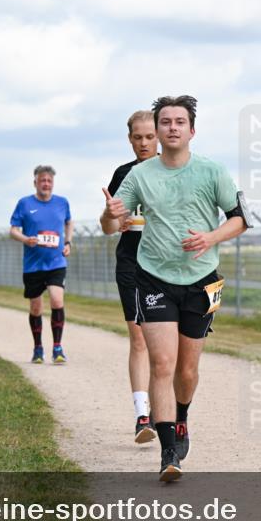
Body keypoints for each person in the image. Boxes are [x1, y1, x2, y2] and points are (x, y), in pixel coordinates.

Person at [101, 95, 250, 481]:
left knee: (187, 368)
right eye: (165, 121)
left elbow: (240, 219)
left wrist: (210, 238)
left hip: (202, 279)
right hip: (153, 276)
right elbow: (110, 225)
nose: (171, 128)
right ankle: (169, 453)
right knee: (163, 363)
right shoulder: (140, 175)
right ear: (157, 129)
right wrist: (110, 214)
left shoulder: (212, 172)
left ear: (191, 130)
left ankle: (181, 417)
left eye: (179, 122)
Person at [108, 109, 160, 444]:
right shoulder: (123, 174)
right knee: (139, 338)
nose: (143, 143)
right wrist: (118, 221)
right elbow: (111, 220)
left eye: (149, 137)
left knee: (164, 345)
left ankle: (164, 411)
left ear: (159, 137)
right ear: (129, 139)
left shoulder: (175, 171)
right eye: (137, 137)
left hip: (166, 266)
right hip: (131, 263)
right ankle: (143, 416)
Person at [9, 165, 72, 364]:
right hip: (33, 265)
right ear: (35, 182)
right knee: (36, 308)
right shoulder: (25, 203)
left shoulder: (62, 202)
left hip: (56, 262)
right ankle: (38, 348)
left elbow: (69, 222)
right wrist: (25, 239)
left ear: (53, 183)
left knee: (57, 300)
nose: (46, 184)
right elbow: (13, 230)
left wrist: (68, 242)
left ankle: (57, 348)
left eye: (49, 180)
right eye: (42, 180)